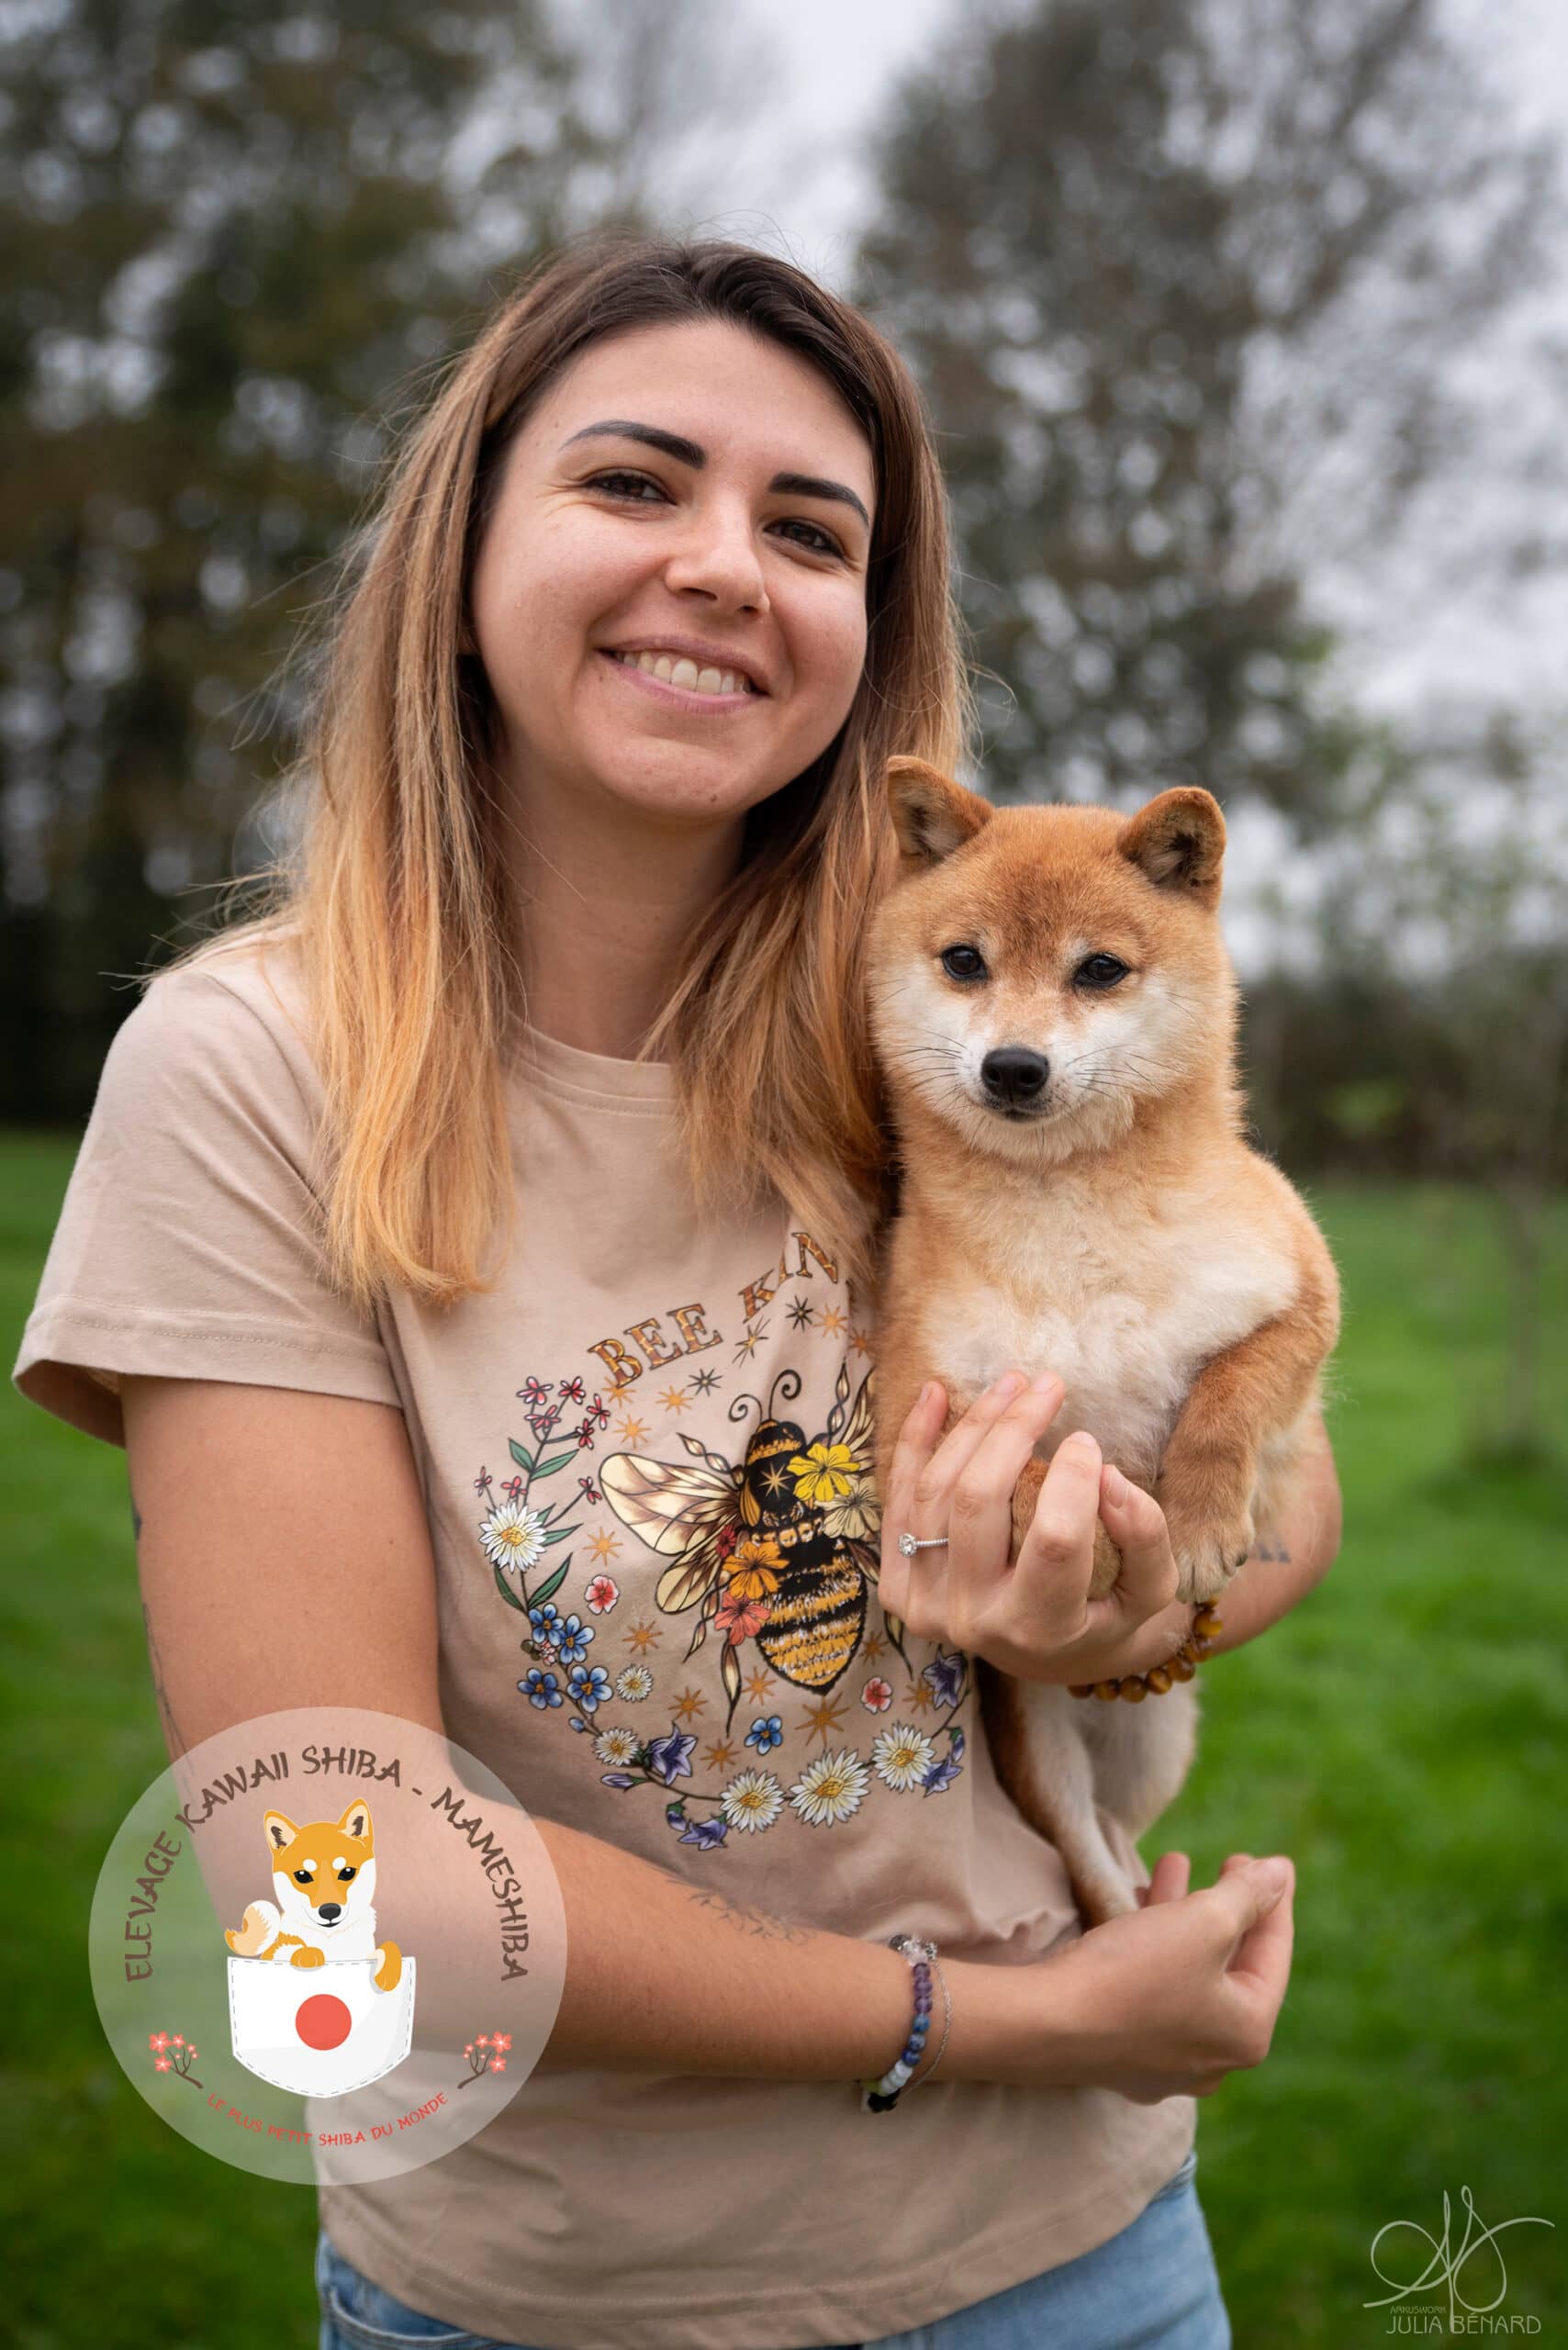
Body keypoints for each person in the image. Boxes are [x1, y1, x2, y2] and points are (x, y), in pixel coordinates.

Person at [15, 234, 1340, 2350]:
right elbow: (327, 1854)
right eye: (632, 485)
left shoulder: (935, 1024)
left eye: (809, 528)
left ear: (863, 629)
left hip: (1085, 2260)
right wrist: (989, 2019)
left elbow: (1283, 1475)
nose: (724, 564)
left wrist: (1120, 1616)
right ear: (465, 545)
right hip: (559, 2294)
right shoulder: (257, 1071)